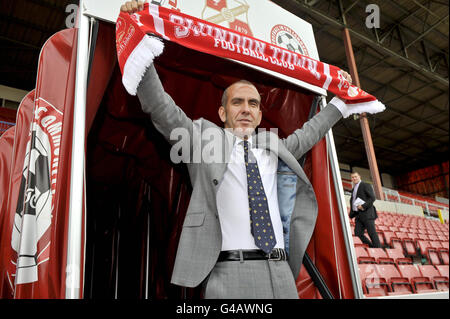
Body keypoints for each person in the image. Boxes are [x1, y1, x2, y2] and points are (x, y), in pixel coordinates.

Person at [120, 0, 380, 298]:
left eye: (253, 103)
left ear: (259, 115)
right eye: (237, 102)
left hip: (282, 273)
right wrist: (140, 41)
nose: (246, 109)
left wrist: (340, 101)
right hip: (228, 274)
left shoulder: (274, 147)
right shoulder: (201, 141)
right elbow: (161, 108)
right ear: (221, 113)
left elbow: (310, 132)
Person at [349, 172, 381, 248]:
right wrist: (351, 213)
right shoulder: (353, 189)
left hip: (367, 213)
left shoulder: (365, 185)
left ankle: (378, 250)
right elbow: (353, 201)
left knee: (372, 233)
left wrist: (363, 206)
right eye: (352, 177)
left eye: (355, 176)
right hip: (358, 215)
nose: (354, 178)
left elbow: (372, 198)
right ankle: (372, 247)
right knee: (358, 234)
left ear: (359, 176)